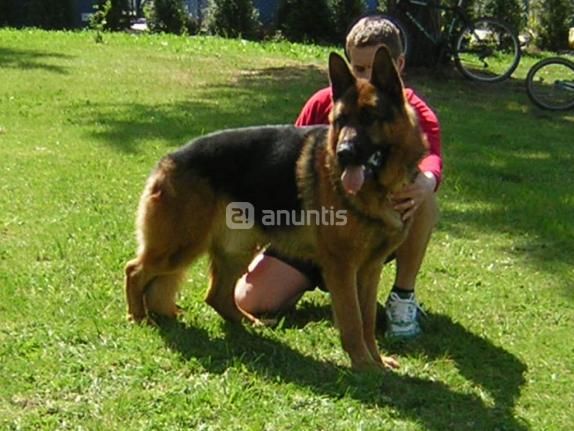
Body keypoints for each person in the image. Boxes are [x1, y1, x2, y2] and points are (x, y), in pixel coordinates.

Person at [234, 15, 442, 340]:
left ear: (398, 65)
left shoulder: (414, 111)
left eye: (375, 69)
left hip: (369, 234)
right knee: (251, 300)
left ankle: (403, 296)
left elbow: (430, 158)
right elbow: (287, 165)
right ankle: (340, 283)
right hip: (312, 229)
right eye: (358, 69)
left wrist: (428, 180)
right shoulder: (325, 104)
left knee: (423, 192)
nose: (365, 78)